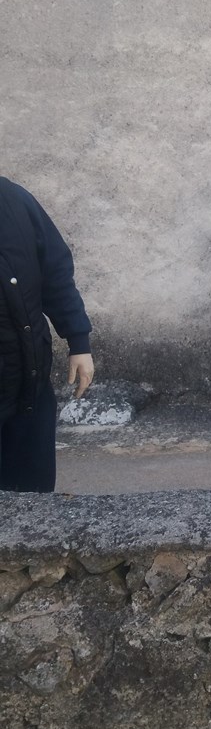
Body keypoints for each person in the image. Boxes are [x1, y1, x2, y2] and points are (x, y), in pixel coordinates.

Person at [0, 176, 94, 492]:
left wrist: (78, 340)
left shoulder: (15, 200)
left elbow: (55, 272)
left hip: (30, 393)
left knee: (33, 503)